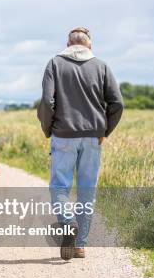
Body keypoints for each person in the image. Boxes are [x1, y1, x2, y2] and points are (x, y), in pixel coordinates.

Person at [37, 27, 123, 260]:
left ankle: (68, 222)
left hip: (63, 135)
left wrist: (48, 129)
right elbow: (117, 103)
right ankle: (80, 245)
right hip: (93, 136)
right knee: (87, 190)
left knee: (60, 187)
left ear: (67, 44)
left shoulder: (54, 64)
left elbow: (47, 100)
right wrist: (105, 130)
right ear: (90, 45)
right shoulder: (102, 66)